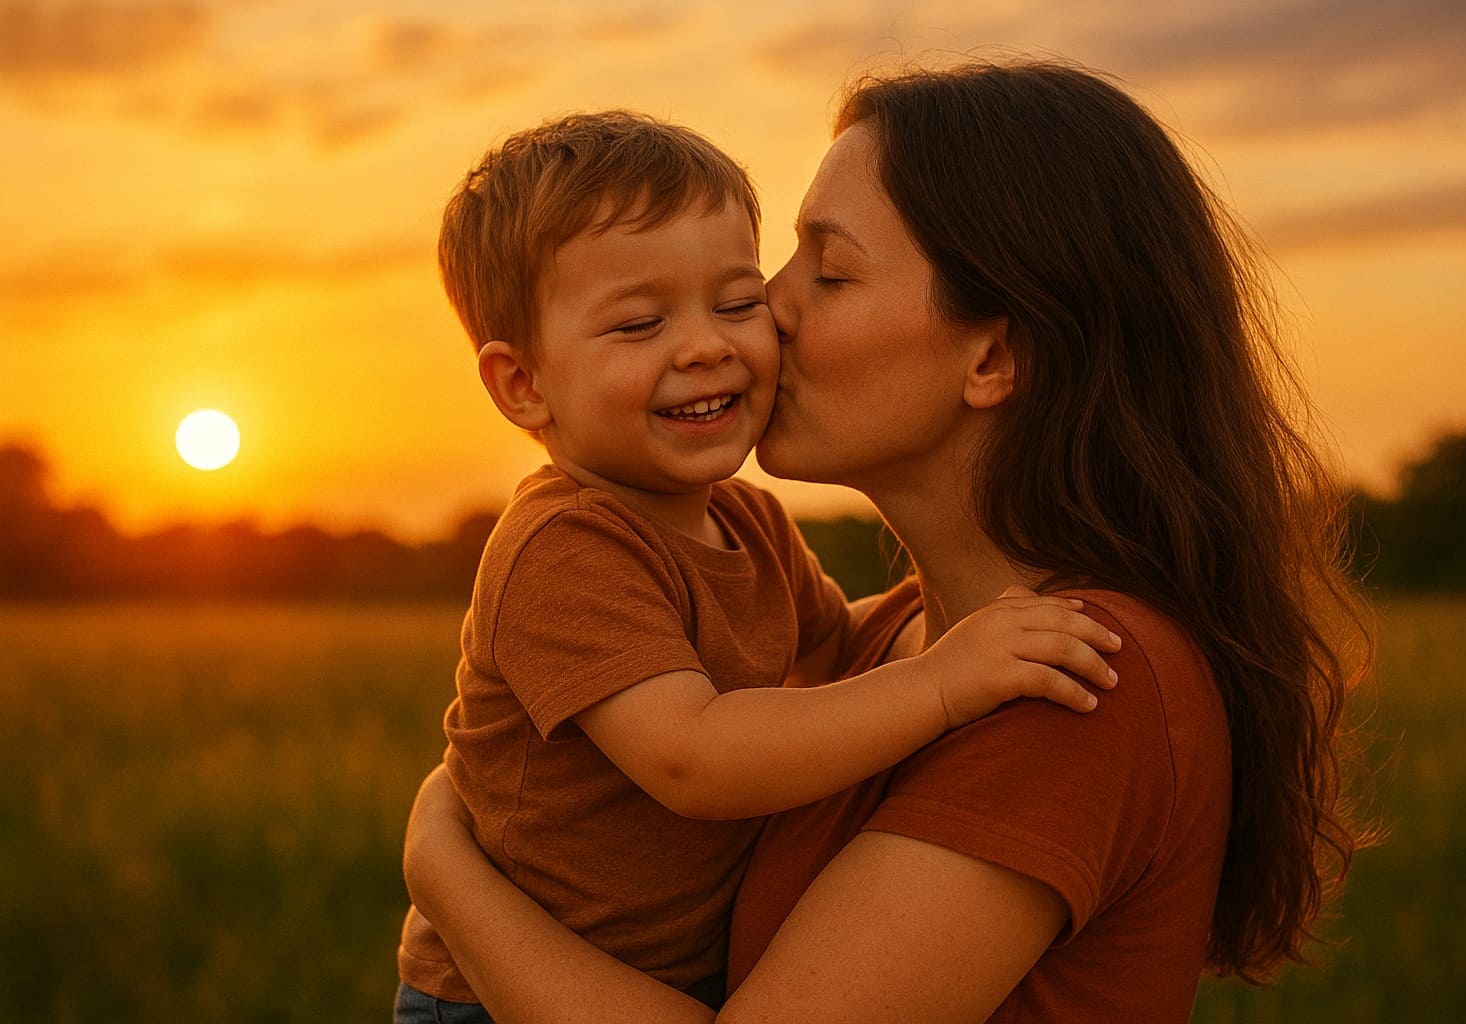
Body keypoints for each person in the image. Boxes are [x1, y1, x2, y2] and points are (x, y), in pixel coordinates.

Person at [403, 59, 1371, 1023]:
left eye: (826, 271)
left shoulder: (1077, 679)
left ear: (993, 355)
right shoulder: (903, 646)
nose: (767, 312)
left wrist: (445, 869)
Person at [394, 110, 1122, 1022]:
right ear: (523, 385)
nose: (706, 345)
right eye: (638, 324)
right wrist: (946, 681)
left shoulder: (745, 518)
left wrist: (967, 627)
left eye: (736, 303)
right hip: (492, 999)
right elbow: (695, 757)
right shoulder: (566, 549)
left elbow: (837, 645)